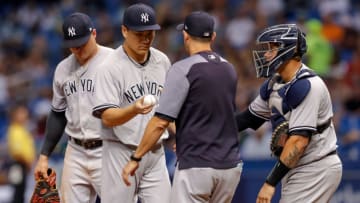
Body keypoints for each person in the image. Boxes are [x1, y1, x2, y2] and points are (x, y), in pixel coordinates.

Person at [122, 11, 243, 203]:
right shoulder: (229, 68)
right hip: (230, 167)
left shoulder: (183, 69)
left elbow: (160, 122)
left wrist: (136, 158)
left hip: (197, 166)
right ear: (213, 36)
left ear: (185, 35)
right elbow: (210, 113)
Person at [235, 24, 342, 203]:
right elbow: (247, 119)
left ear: (288, 51)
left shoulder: (308, 85)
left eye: (272, 48)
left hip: (315, 166)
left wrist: (269, 183)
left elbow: (299, 142)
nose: (266, 54)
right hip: (298, 166)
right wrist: (206, 129)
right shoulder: (274, 84)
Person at [91, 3, 171, 203]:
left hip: (155, 153)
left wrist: (179, 134)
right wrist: (134, 109)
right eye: (139, 34)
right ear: (124, 31)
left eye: (149, 33)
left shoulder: (162, 61)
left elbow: (168, 108)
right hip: (121, 151)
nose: (145, 39)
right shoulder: (108, 67)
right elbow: (108, 117)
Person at [33, 12, 113, 202]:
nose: (78, 50)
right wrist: (44, 155)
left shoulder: (115, 61)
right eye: (73, 46)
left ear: (94, 34)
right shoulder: (62, 69)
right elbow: (58, 113)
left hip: (109, 149)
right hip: (75, 150)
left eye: (82, 43)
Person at [7, 104, 35, 203]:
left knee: (22, 191)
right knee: (18, 192)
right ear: (14, 115)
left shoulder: (23, 129)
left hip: (23, 165)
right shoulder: (15, 130)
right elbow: (17, 152)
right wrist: (27, 163)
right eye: (21, 113)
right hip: (18, 165)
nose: (24, 115)